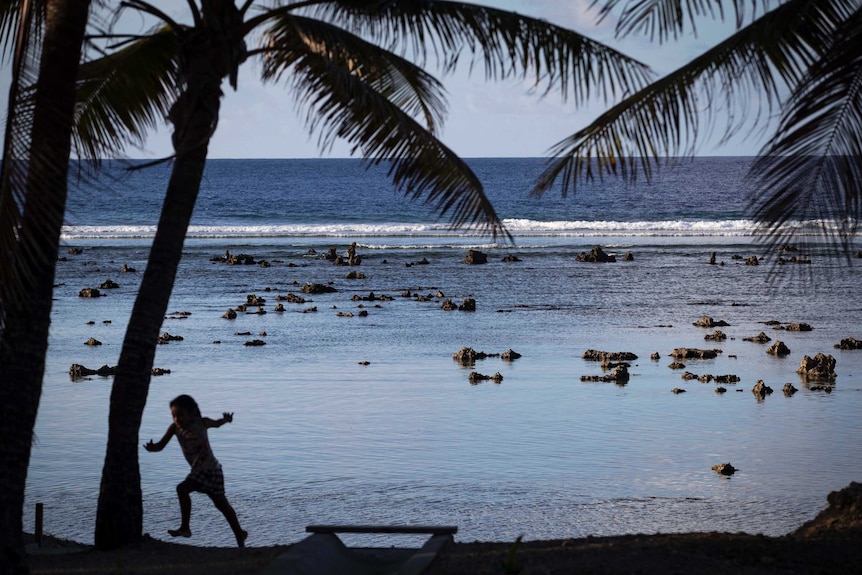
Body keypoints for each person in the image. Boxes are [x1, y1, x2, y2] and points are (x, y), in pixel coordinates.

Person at [144, 394, 247, 547]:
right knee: (204, 498)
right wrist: (153, 448)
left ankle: (237, 534)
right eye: (173, 416)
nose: (177, 419)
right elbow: (160, 445)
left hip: (211, 470)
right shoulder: (174, 428)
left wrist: (227, 419)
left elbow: (217, 423)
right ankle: (239, 533)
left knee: (219, 504)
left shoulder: (201, 422)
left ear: (191, 413)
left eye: (180, 415)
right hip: (200, 471)